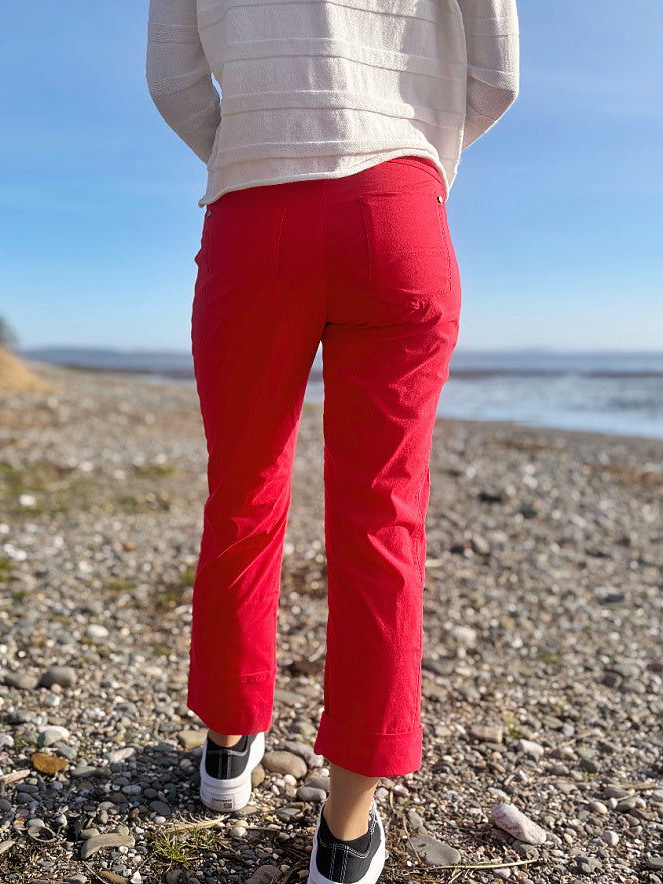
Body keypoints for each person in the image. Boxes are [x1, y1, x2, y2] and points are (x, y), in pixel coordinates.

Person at [146, 0, 519, 881]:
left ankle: (231, 744)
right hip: (397, 213)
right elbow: (496, 76)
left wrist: (260, 150)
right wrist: (404, 152)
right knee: (383, 523)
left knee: (243, 491)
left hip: (255, 215)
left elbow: (172, 81)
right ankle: (345, 830)